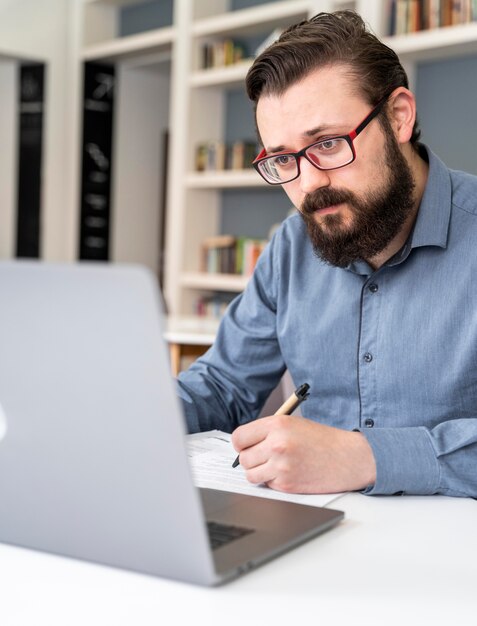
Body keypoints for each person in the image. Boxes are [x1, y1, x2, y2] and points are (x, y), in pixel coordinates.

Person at [177, 10, 477, 498]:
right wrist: (129, 416)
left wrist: (365, 458)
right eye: (283, 159)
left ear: (399, 116)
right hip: (307, 533)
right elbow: (225, 384)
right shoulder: (290, 246)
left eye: (328, 144)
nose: (309, 184)